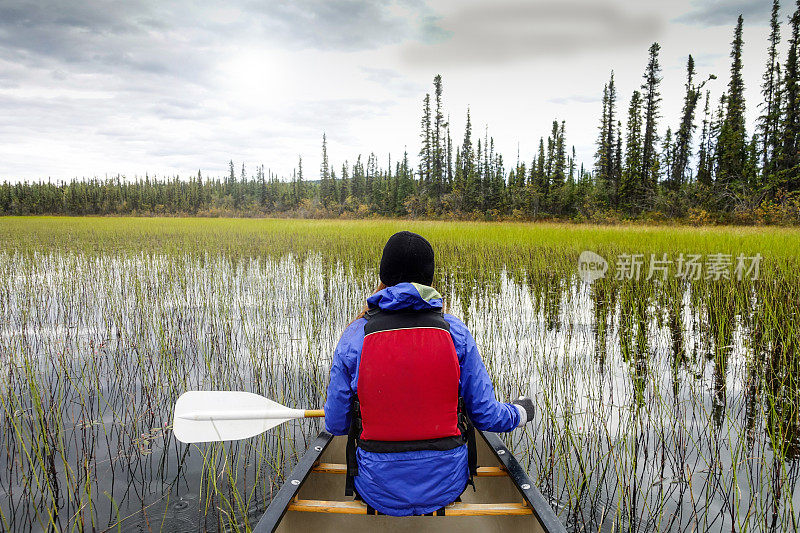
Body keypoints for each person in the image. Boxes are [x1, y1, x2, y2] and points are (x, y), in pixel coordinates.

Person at [324, 231, 535, 517]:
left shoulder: (354, 336)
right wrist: (520, 413)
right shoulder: (456, 332)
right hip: (447, 486)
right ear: (430, 280)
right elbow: (486, 415)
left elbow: (337, 424)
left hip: (376, 489)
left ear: (382, 278)